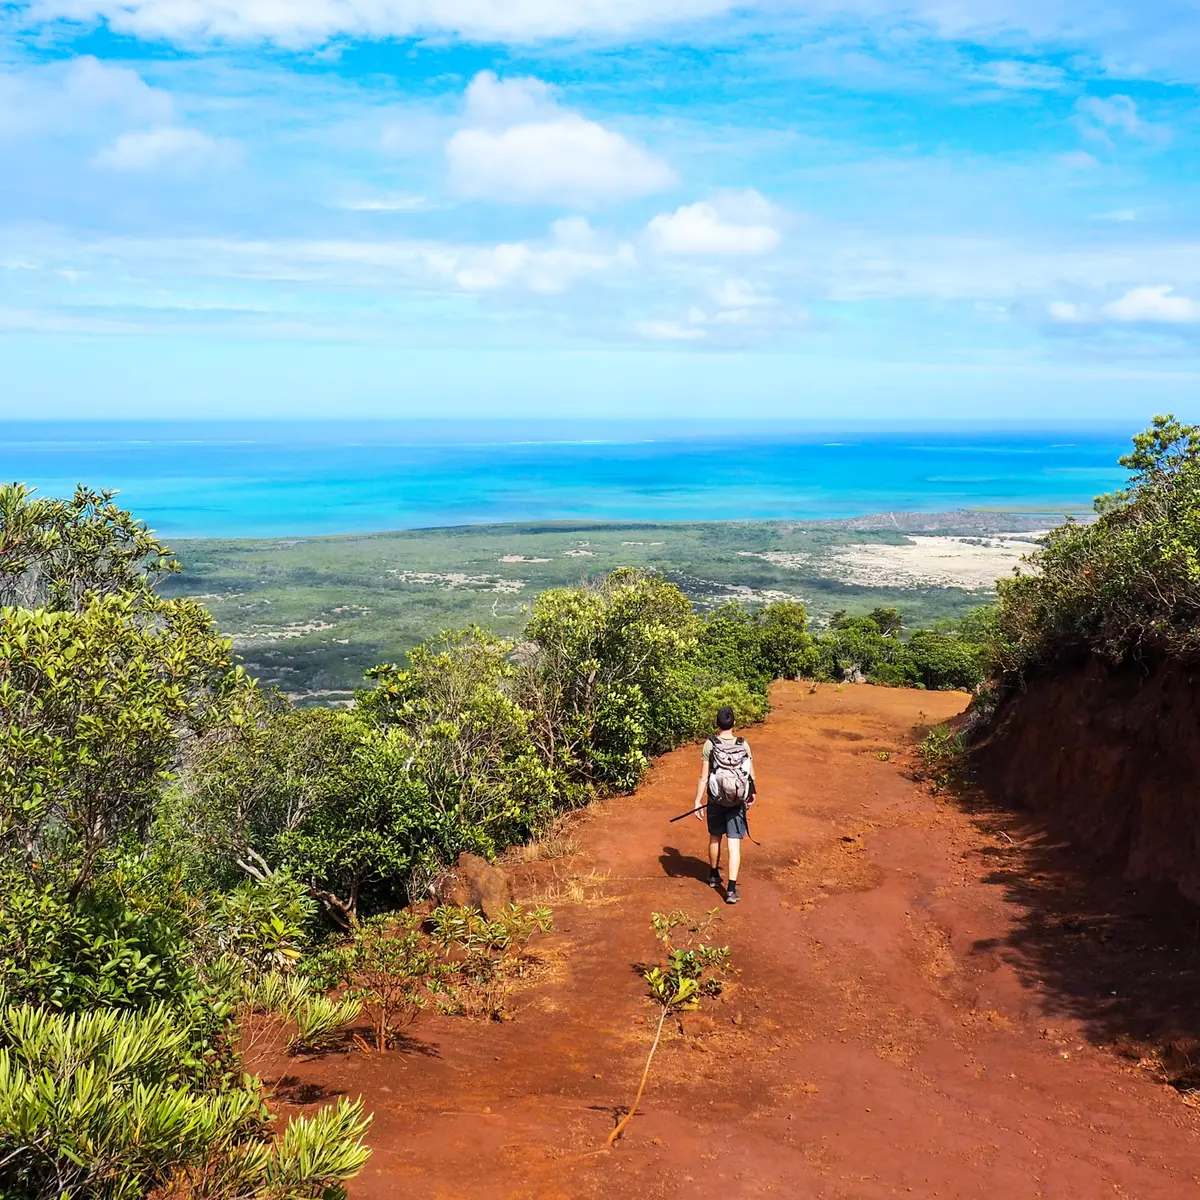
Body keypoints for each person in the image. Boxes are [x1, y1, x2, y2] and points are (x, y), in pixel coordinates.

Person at [693, 706, 755, 904]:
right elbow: (750, 775)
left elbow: (704, 777)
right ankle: (730, 889)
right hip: (737, 801)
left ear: (717, 723)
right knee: (734, 843)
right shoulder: (743, 744)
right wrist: (751, 795)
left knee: (715, 837)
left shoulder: (709, 744)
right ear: (733, 723)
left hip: (715, 799)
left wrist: (697, 800)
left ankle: (713, 875)